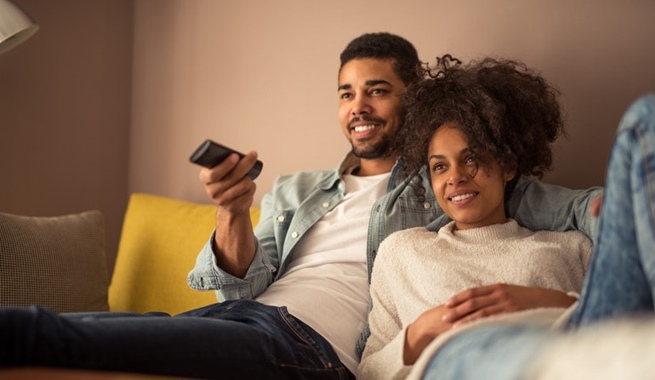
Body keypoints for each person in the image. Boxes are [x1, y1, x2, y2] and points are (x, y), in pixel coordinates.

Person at [0, 33, 600, 380]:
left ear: (412, 97)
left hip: (311, 348)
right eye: (346, 93)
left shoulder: (450, 179)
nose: (358, 105)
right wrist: (232, 213)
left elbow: (586, 213)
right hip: (247, 322)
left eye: (377, 90)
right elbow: (238, 289)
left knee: (51, 335)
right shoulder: (297, 190)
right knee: (106, 342)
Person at [356, 56, 596, 380]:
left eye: (471, 159)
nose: (454, 178)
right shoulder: (402, 251)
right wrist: (417, 335)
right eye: (440, 166)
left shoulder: (571, 248)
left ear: (508, 166)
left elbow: (620, 331)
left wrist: (542, 302)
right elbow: (368, 372)